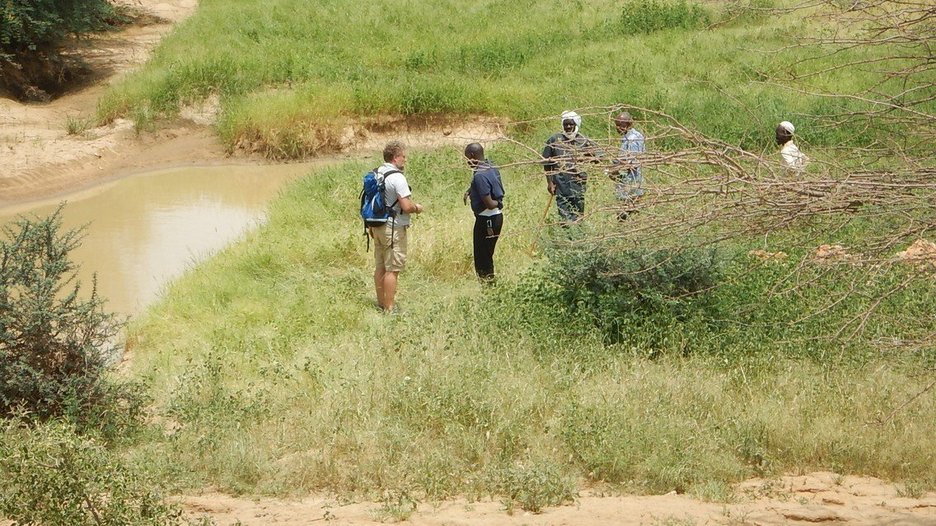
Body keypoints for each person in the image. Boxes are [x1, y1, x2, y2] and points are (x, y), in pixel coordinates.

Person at [370, 141, 424, 313]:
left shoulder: (377, 172)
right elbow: (406, 206)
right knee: (392, 269)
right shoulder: (397, 177)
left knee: (380, 266)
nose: (405, 160)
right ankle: (389, 309)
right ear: (395, 158)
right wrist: (417, 208)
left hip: (376, 225)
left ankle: (380, 303)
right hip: (393, 228)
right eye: (403, 156)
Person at [542, 110, 599, 223]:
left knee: (578, 216)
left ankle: (578, 238)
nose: (568, 127)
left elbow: (598, 158)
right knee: (565, 218)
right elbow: (547, 163)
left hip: (578, 185)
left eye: (571, 124)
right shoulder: (554, 140)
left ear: (575, 125)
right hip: (561, 185)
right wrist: (550, 183)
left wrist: (587, 158)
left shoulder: (583, 141)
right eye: (565, 124)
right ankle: (567, 238)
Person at [462, 142, 505, 282]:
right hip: (496, 218)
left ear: (473, 156)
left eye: (467, 158)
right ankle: (489, 285)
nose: (467, 162)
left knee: (482, 259)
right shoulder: (490, 166)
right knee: (487, 254)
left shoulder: (479, 175)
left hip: (487, 220)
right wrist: (470, 191)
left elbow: (489, 204)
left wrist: (498, 203)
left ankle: (488, 287)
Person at [608, 111, 645, 221]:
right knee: (632, 214)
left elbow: (630, 164)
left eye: (622, 125)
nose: (618, 128)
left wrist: (613, 171)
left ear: (629, 125)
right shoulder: (635, 136)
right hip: (634, 183)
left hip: (629, 184)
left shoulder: (632, 140)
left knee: (624, 215)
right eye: (617, 125)